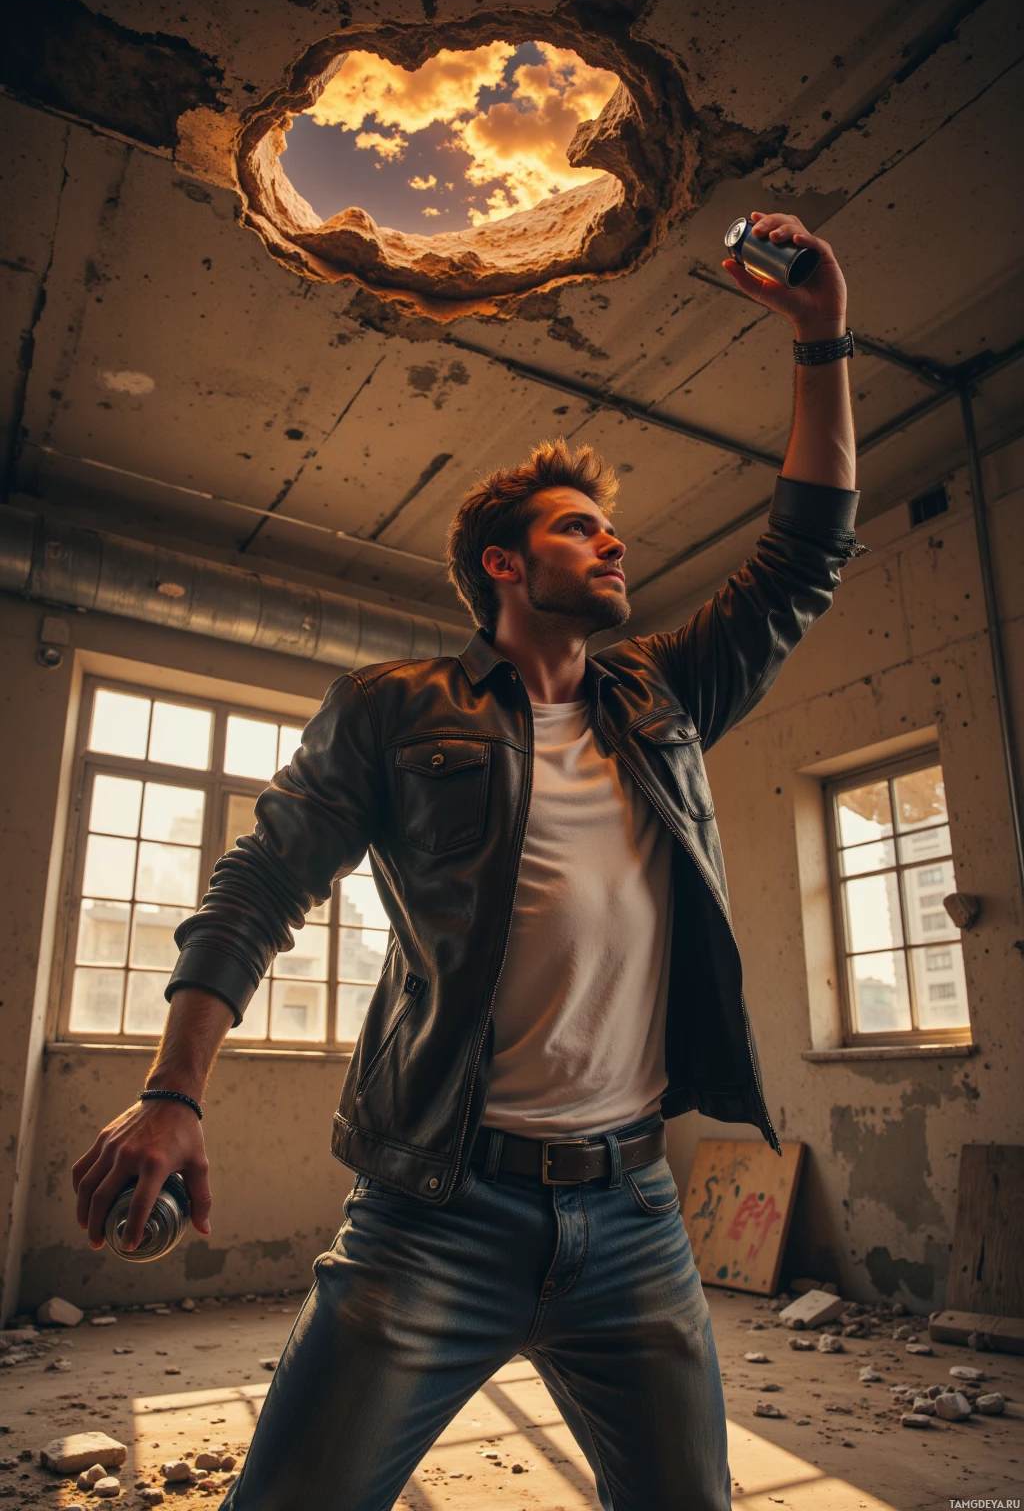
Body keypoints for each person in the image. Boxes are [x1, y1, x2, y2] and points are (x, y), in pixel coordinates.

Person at [73, 212, 859, 1510]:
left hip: (636, 1222)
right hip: (436, 1211)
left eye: (614, 531)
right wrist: (175, 1092)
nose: (615, 543)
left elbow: (804, 557)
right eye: (579, 528)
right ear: (505, 564)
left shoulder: (660, 697)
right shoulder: (396, 712)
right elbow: (261, 887)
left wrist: (823, 338)